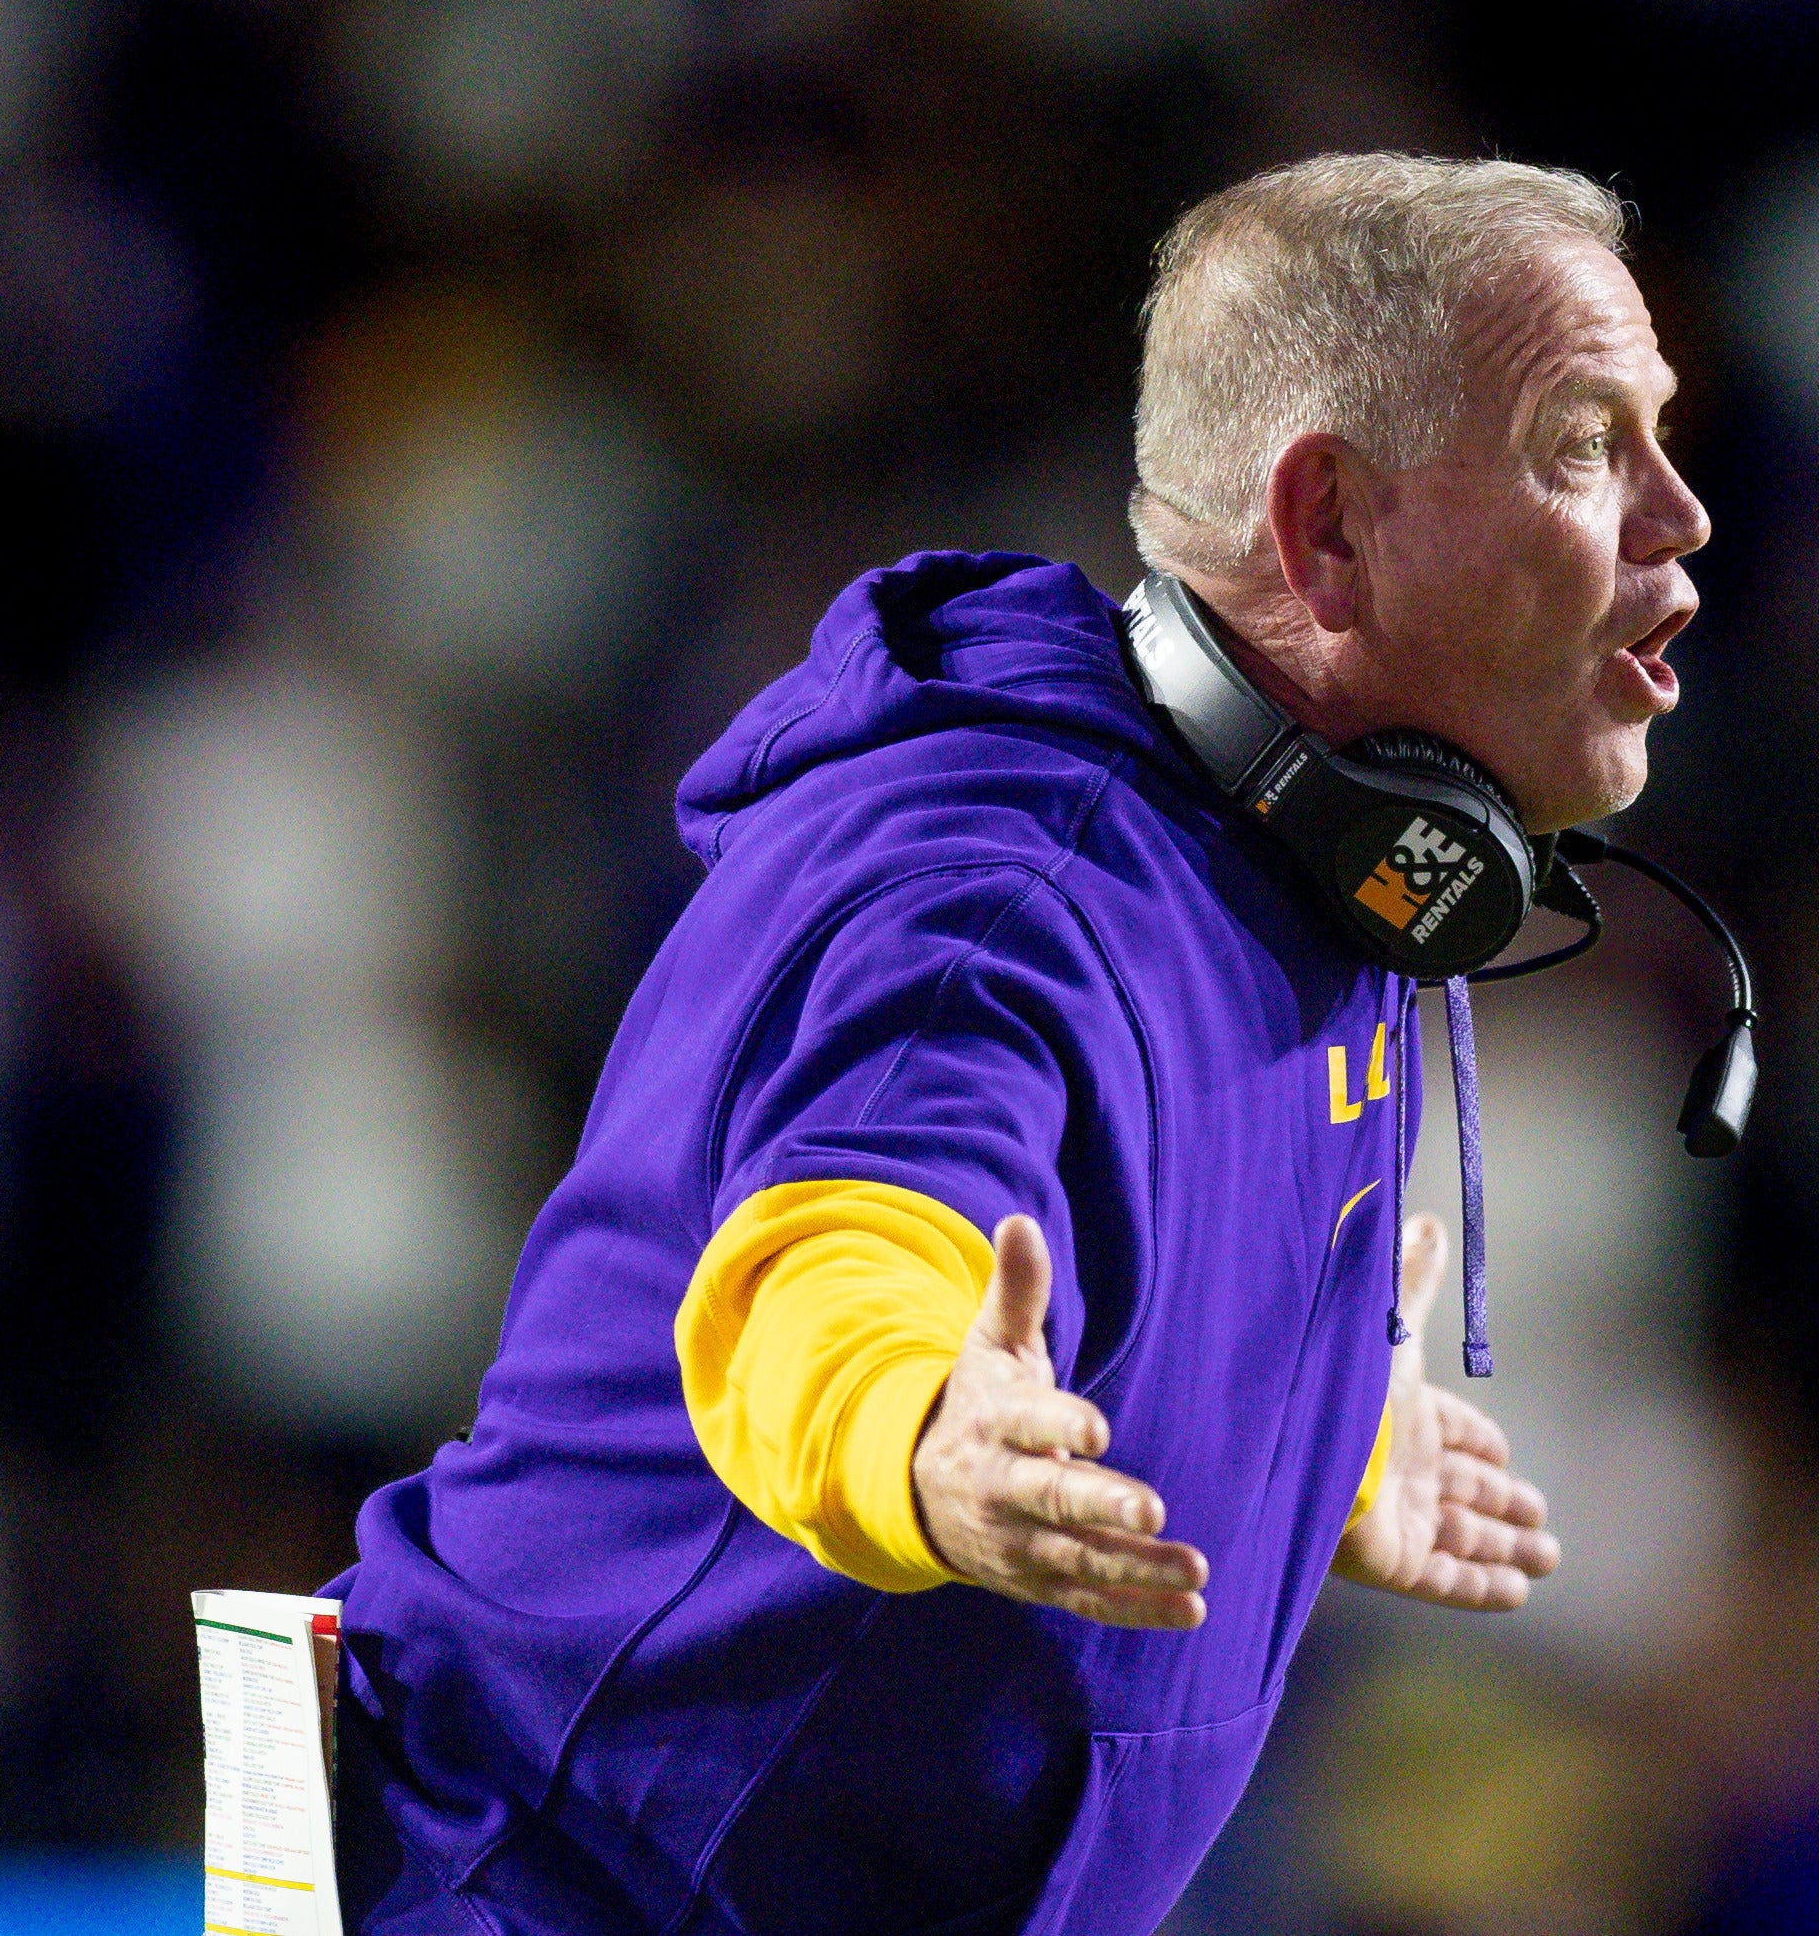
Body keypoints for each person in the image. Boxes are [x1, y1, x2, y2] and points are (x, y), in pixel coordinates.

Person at [328, 152, 1713, 1936]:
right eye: (1587, 446)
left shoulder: (1309, 866)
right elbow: (838, 1260)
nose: (1678, 514)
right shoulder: (1001, 888)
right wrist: (916, 1427)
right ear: (1332, 533)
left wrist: (1311, 1441)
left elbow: (1091, 1263)